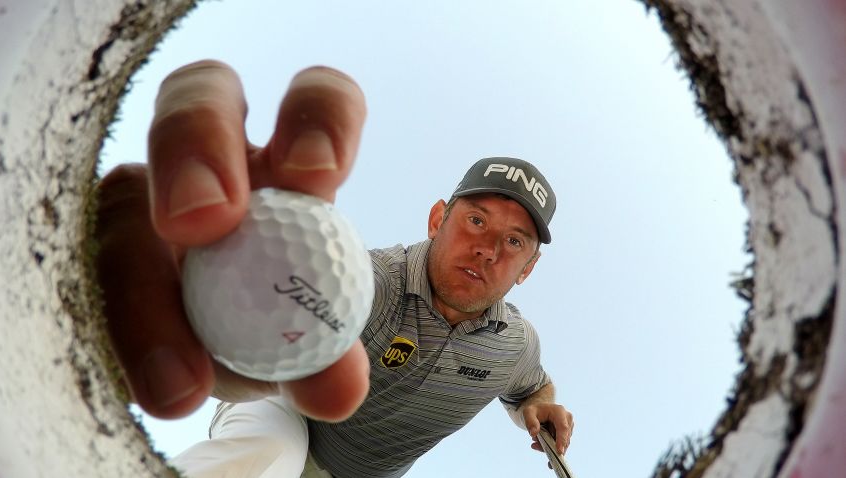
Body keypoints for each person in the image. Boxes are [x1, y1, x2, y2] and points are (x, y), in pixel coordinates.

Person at [95, 60, 573, 477]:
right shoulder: (370, 282)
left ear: (528, 268)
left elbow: (529, 386)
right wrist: (213, 293)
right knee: (267, 450)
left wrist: (537, 405)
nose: (489, 250)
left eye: (513, 241)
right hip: (284, 410)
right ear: (436, 220)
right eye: (475, 220)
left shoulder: (516, 345)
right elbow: (279, 306)